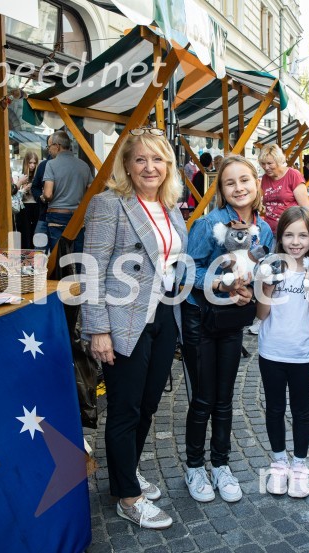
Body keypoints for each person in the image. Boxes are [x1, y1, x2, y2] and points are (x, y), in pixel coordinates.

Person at [81, 126, 188, 529]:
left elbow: (173, 262)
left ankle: (127, 471)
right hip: (123, 322)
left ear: (168, 165)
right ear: (126, 164)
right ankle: (128, 496)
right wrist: (98, 330)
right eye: (140, 159)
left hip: (163, 317)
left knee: (148, 405)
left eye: (158, 159)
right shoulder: (109, 204)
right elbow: (91, 271)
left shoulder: (170, 205)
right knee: (125, 410)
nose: (149, 167)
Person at [182, 155, 274, 504]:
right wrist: (222, 283)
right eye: (230, 182)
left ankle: (221, 465)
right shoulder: (209, 224)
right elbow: (186, 272)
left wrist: (250, 291)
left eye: (244, 180)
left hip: (232, 322)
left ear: (256, 183)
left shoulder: (264, 230)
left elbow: (262, 274)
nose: (239, 188)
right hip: (202, 319)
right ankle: (195, 466)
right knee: (203, 397)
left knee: (225, 398)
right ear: (220, 189)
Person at [256, 207, 309, 499]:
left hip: (303, 354)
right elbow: (261, 314)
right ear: (280, 237)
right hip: (271, 352)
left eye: (302, 235)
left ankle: (300, 465)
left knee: (302, 410)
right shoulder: (270, 267)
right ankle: (279, 461)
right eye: (289, 235)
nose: (295, 242)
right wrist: (267, 288)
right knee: (274, 409)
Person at [42, 130, 91, 254]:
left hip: (57, 216)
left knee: (59, 257)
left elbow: (48, 194)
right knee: (78, 256)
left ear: (57, 146)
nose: (49, 150)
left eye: (49, 146)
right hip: (78, 217)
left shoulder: (51, 164)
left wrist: (44, 196)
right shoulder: (84, 165)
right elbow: (91, 192)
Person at [259, 144, 309, 232]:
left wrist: (306, 230)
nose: (266, 167)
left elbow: (305, 209)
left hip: (290, 229)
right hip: (270, 231)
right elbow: (263, 203)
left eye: (270, 163)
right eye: (263, 164)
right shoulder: (264, 178)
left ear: (278, 161)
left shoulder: (293, 175)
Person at [16, 150, 40, 249]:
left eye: (34, 163)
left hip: (36, 206)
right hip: (23, 207)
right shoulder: (20, 176)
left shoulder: (38, 177)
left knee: (35, 234)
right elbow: (14, 195)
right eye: (30, 162)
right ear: (26, 163)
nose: (32, 165)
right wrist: (24, 189)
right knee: (24, 234)